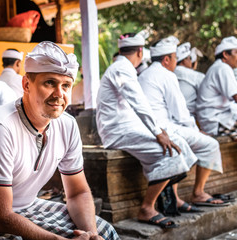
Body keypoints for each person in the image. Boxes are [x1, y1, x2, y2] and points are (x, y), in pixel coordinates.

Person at [0, 41, 118, 240]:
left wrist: (91, 235)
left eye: (66, 85)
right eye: (50, 83)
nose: (59, 94)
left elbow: (78, 193)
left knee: (105, 231)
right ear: (26, 84)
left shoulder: (68, 125)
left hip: (27, 205)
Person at [96, 31, 199, 229]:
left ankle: (172, 198)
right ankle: (147, 208)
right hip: (117, 131)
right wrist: (158, 132)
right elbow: (138, 103)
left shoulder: (123, 67)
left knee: (180, 145)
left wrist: (159, 130)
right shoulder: (122, 69)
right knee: (172, 154)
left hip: (128, 127)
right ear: (141, 52)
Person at [138, 36, 224, 211]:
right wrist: (197, 132)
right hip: (164, 128)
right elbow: (181, 113)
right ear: (167, 59)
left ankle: (175, 198)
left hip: (149, 128)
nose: (176, 62)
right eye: (175, 57)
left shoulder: (143, 74)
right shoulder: (166, 74)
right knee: (211, 145)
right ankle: (198, 192)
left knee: (180, 148)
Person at [196, 36, 237, 141]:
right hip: (217, 121)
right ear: (225, 54)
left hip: (217, 118)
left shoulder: (218, 67)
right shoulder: (223, 68)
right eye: (236, 53)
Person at [174, 42, 205, 118]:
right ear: (184, 60)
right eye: (190, 58)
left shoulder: (170, 73)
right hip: (189, 116)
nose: (191, 61)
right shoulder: (195, 75)